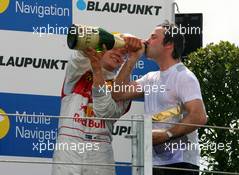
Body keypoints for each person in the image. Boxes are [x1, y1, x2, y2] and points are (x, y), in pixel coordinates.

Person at [112, 20, 207, 175]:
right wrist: (132, 58)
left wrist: (166, 134)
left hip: (180, 164)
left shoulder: (183, 75)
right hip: (153, 163)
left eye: (153, 37)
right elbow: (117, 93)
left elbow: (199, 116)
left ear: (169, 44)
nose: (147, 41)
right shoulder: (150, 78)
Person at [52, 40, 140, 175]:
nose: (118, 53)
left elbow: (105, 111)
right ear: (103, 50)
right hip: (68, 151)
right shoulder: (77, 74)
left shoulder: (124, 88)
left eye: (123, 53)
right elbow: (79, 55)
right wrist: (99, 41)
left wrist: (98, 70)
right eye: (114, 48)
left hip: (100, 155)